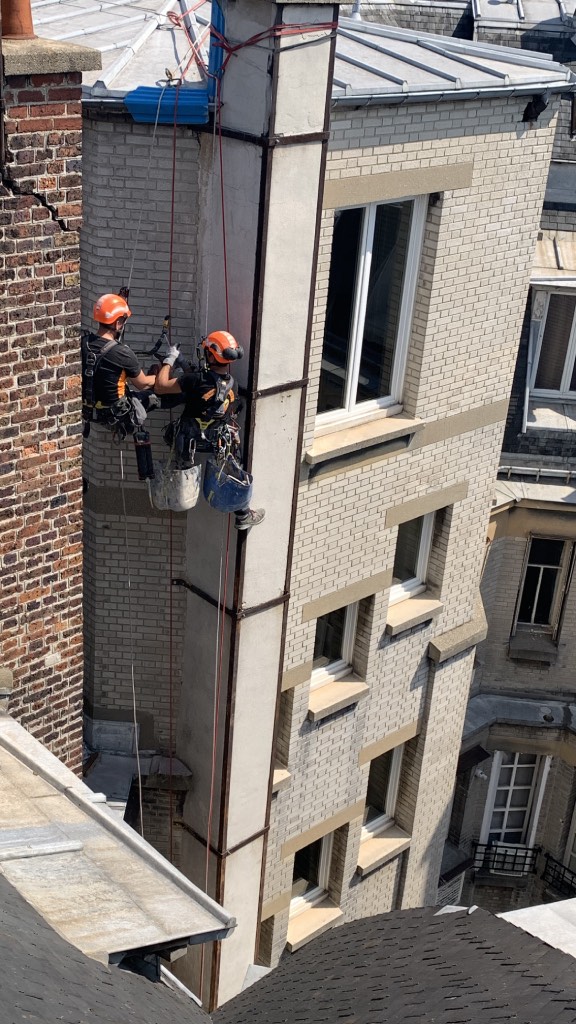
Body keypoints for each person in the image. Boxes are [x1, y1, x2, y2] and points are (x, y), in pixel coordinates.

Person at [155, 330, 265, 530]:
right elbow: (206, 387)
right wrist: (184, 364)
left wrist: (170, 359)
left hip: (187, 441)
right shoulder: (234, 385)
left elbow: (161, 385)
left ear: (210, 355)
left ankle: (177, 498)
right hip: (216, 441)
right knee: (234, 464)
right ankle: (242, 513)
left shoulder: (195, 381)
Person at [82, 293, 159, 436]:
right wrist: (158, 376)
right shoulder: (123, 353)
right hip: (114, 414)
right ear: (117, 323)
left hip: (89, 411)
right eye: (123, 321)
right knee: (157, 397)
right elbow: (143, 384)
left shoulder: (83, 343)